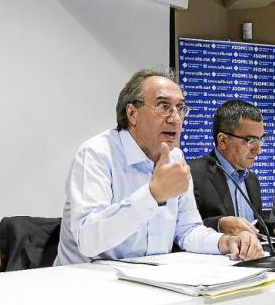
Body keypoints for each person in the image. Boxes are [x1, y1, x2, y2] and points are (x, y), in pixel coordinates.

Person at [55, 68, 264, 265]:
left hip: (149, 277)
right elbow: (88, 240)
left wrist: (225, 242)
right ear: (132, 113)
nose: (175, 118)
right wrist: (152, 195)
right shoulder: (96, 153)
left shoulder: (176, 157)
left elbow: (187, 230)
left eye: (180, 108)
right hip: (89, 280)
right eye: (164, 106)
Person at [189, 100, 275, 240]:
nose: (258, 150)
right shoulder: (193, 174)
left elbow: (254, 225)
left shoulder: (251, 179)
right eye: (250, 140)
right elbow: (183, 230)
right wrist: (219, 224)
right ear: (222, 140)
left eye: (261, 139)